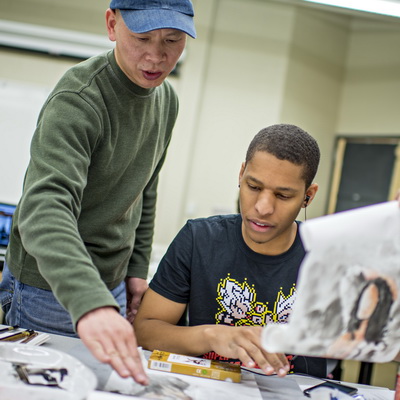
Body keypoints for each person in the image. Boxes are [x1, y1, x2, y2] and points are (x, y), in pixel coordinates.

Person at [0, 0, 196, 385]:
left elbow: (145, 187)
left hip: (114, 286)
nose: (157, 56)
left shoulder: (166, 100)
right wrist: (92, 304)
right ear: (112, 24)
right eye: (142, 38)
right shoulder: (79, 99)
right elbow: (45, 208)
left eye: (172, 40)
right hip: (52, 287)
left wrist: (137, 270)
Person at [134, 123, 328, 378]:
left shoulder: (326, 255)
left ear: (308, 196)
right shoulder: (199, 239)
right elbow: (146, 330)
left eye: (282, 196)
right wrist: (211, 335)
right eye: (254, 187)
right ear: (241, 175)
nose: (263, 207)